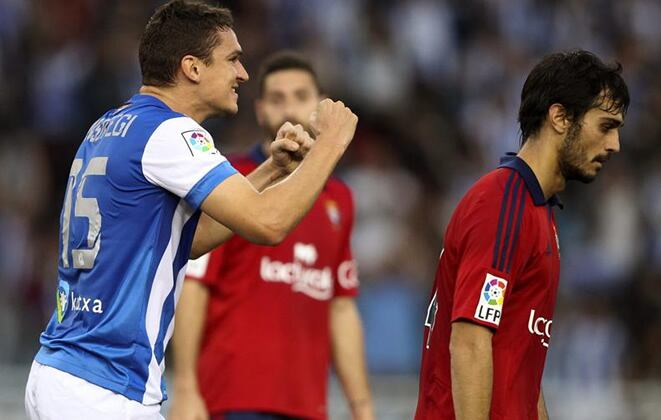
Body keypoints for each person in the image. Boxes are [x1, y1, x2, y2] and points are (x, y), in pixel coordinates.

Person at [25, 1, 358, 419]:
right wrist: (330, 145)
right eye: (232, 59)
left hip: (62, 372)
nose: (243, 74)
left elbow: (186, 239)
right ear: (192, 68)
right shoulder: (171, 132)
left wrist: (272, 170)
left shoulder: (110, 124)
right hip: (102, 387)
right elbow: (268, 224)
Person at [414, 50, 630, 420]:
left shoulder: (538, 212)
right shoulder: (503, 203)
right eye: (605, 126)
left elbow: (523, 372)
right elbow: (469, 340)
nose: (614, 145)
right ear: (560, 117)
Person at [168, 51, 374, 420]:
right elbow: (194, 284)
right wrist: (185, 387)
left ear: (319, 104)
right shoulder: (226, 177)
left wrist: (361, 406)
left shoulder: (339, 197)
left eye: (300, 96)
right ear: (260, 110)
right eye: (277, 99)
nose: (289, 109)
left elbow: (340, 303)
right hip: (233, 399)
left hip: (309, 404)